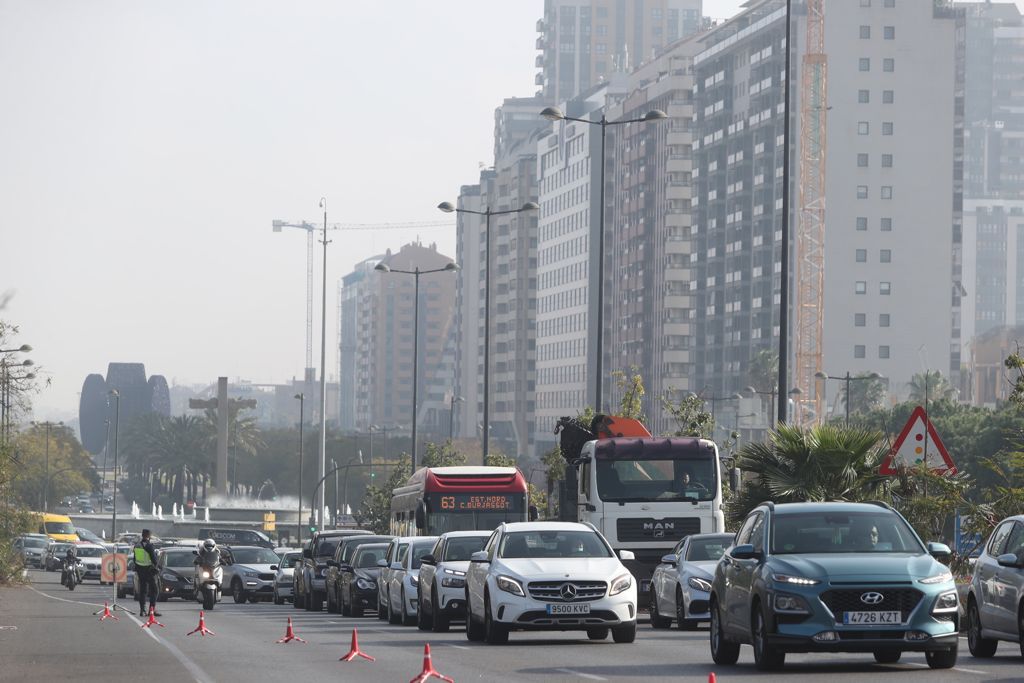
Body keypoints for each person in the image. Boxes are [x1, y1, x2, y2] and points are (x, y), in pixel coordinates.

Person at [133, 529, 160, 617]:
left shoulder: (136, 546)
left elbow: (134, 559)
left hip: (140, 571)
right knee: (155, 590)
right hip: (149, 571)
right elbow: (154, 560)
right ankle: (151, 610)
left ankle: (142, 610)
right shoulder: (149, 546)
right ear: (148, 536)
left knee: (143, 590)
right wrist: (157, 566)